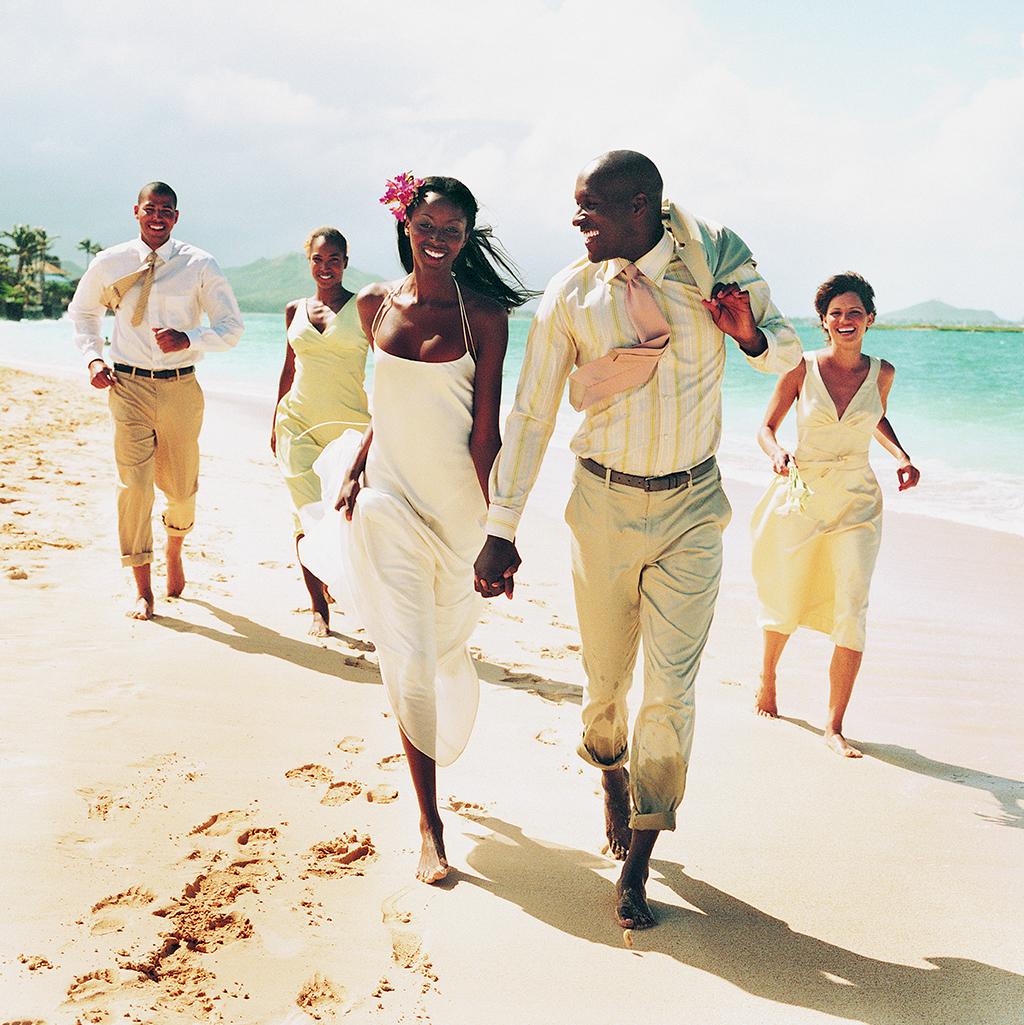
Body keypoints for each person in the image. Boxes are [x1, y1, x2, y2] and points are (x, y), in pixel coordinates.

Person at [473, 150, 803, 929]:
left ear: (640, 207)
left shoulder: (715, 260)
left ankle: (640, 859)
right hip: (603, 505)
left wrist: (750, 334)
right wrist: (501, 527)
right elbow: (531, 415)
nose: (576, 223)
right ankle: (610, 770)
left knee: (672, 692)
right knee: (604, 682)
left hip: (693, 506)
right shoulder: (571, 291)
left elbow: (789, 356)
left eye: (589, 211)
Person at [299, 174, 533, 883]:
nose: (438, 241)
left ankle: (435, 750)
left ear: (467, 236)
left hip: (458, 510)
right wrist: (360, 462)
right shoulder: (373, 304)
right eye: (427, 227)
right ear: (406, 225)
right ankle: (430, 825)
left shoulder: (485, 315)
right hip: (387, 503)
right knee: (406, 655)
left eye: (452, 231)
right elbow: (385, 402)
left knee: (441, 649)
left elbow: (484, 432)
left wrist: (500, 529)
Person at [750, 272, 920, 757]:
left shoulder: (883, 372)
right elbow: (766, 426)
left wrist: (902, 457)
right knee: (788, 590)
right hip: (802, 494)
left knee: (852, 604)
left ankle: (834, 725)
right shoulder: (800, 367)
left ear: (870, 318)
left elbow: (873, 417)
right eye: (836, 314)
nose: (846, 321)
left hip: (858, 502)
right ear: (823, 322)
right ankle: (767, 677)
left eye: (854, 313)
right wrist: (776, 454)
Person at [69, 182, 243, 620]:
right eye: (151, 209)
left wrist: (190, 337)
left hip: (181, 387)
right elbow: (84, 311)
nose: (158, 216)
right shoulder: (110, 262)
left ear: (176, 217)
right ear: (136, 212)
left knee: (181, 490)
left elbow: (231, 327)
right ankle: (142, 586)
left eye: (166, 210)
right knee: (134, 487)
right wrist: (93, 359)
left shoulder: (199, 264)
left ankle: (175, 546)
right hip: (126, 386)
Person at [272, 227, 370, 637]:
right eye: (317, 259)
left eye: (334, 259)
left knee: (348, 518)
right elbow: (289, 368)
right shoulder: (295, 310)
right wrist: (273, 423)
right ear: (308, 261)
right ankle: (318, 609)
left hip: (349, 431)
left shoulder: (367, 308)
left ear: (346, 262)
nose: (325, 267)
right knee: (305, 515)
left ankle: (350, 590)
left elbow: (394, 367)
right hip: (296, 424)